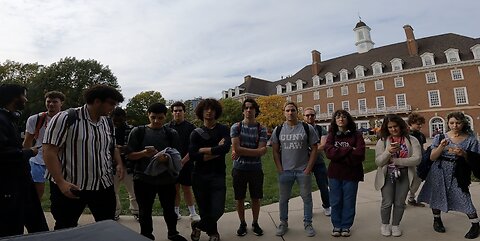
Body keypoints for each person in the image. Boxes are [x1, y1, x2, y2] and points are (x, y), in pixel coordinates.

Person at [43, 84, 125, 230]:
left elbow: (112, 147)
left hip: (103, 185)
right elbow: (49, 151)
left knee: (107, 226)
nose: (113, 108)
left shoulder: (107, 122)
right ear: (97, 101)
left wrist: (119, 163)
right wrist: (61, 182)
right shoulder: (66, 118)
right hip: (72, 187)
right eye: (111, 103)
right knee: (65, 228)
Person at [127, 103, 187, 241]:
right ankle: (146, 235)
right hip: (143, 178)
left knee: (169, 209)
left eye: (160, 118)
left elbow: (177, 156)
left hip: (166, 179)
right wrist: (144, 153)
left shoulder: (171, 133)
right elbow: (129, 155)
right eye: (153, 117)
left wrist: (166, 158)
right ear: (148, 115)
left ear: (165, 117)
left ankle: (173, 233)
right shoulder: (138, 131)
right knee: (144, 210)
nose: (156, 121)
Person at [418, 112, 480, 239]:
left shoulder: (471, 139)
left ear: (463, 123)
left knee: (464, 197)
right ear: (448, 124)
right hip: (438, 170)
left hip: (458, 172)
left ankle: (475, 225)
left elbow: (476, 160)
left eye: (458, 123)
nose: (455, 125)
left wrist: (464, 154)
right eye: (452, 123)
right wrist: (441, 146)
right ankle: (437, 220)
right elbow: (432, 157)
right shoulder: (440, 137)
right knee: (436, 195)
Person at [0, 84, 49, 237]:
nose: (26, 100)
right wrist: (28, 152)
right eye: (24, 95)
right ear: (15, 97)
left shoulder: (9, 118)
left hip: (22, 183)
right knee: (12, 230)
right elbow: (2, 154)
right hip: (10, 186)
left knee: (38, 226)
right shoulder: (1, 120)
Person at [271, 101, 319, 237]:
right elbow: (275, 151)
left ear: (297, 112)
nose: (290, 113)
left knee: (307, 198)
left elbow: (315, 148)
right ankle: (283, 223)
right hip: (285, 171)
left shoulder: (306, 128)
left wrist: (308, 168)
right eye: (287, 111)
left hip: (303, 170)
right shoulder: (278, 129)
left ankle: (308, 223)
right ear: (284, 113)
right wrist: (280, 168)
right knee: (283, 199)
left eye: (292, 110)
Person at [189, 98, 231, 241]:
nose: (209, 111)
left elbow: (225, 148)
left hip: (218, 174)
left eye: (212, 109)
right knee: (205, 209)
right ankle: (214, 234)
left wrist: (204, 150)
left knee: (218, 209)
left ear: (216, 112)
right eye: (206, 109)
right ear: (201, 112)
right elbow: (194, 156)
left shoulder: (223, 129)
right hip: (199, 176)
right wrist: (216, 150)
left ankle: (198, 226)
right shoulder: (196, 133)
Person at [374, 114, 421, 237]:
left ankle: (395, 225)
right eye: (390, 127)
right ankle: (385, 224)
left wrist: (397, 161)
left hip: (404, 173)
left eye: (395, 126)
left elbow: (417, 159)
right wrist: (388, 152)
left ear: (401, 126)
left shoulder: (412, 140)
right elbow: (379, 162)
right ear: (386, 128)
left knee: (400, 202)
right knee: (387, 202)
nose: (393, 129)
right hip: (388, 174)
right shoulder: (383, 141)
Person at [324, 109, 365, 238]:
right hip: (335, 174)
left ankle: (346, 226)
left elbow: (360, 154)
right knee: (335, 201)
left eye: (343, 117)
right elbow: (329, 153)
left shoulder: (356, 135)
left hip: (352, 174)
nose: (340, 119)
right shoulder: (332, 135)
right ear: (335, 120)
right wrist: (349, 149)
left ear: (348, 119)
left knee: (349, 201)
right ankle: (336, 225)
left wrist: (339, 153)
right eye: (338, 117)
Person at [230, 98, 268, 237]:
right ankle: (242, 223)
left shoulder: (261, 128)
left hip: (256, 170)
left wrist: (241, 150)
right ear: (243, 111)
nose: (248, 110)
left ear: (255, 111)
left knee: (256, 198)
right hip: (239, 169)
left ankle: (255, 222)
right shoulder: (236, 127)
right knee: (239, 198)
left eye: (251, 108)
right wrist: (257, 152)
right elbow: (238, 149)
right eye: (246, 107)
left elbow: (243, 149)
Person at [23, 91, 65, 200]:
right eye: (48, 101)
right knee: (37, 192)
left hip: (59, 160)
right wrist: (24, 159)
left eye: (55, 102)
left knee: (59, 191)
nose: (51, 104)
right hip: (38, 159)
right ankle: (33, 213)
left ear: (61, 103)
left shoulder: (67, 119)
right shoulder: (35, 119)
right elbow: (27, 141)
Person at [165, 101, 200, 221]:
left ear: (184, 112)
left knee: (187, 188)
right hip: (171, 164)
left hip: (187, 163)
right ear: (172, 113)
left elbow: (194, 148)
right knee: (174, 189)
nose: (178, 112)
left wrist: (183, 161)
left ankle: (193, 212)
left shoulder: (191, 128)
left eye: (180, 110)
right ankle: (176, 212)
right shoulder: (167, 128)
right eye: (175, 110)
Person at [111, 107, 139, 221]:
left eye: (120, 120)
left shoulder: (132, 130)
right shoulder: (108, 130)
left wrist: (123, 148)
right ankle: (115, 212)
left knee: (133, 191)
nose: (117, 122)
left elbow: (135, 146)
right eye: (114, 120)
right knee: (113, 192)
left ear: (124, 118)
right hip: (112, 166)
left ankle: (136, 212)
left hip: (129, 165)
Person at [303, 107, 331, 216]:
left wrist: (309, 150)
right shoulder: (301, 129)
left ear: (315, 116)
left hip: (318, 162)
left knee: (323, 186)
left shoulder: (321, 129)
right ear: (304, 117)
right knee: (305, 187)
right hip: (304, 163)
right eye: (307, 115)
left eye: (312, 115)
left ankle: (327, 206)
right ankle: (308, 209)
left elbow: (323, 145)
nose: (310, 117)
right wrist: (315, 148)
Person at [406, 113, 427, 207]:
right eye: (418, 124)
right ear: (411, 123)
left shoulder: (421, 135)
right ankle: (401, 201)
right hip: (409, 161)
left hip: (420, 161)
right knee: (407, 181)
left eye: (421, 124)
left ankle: (411, 199)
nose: (420, 126)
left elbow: (422, 147)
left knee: (418, 180)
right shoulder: (406, 135)